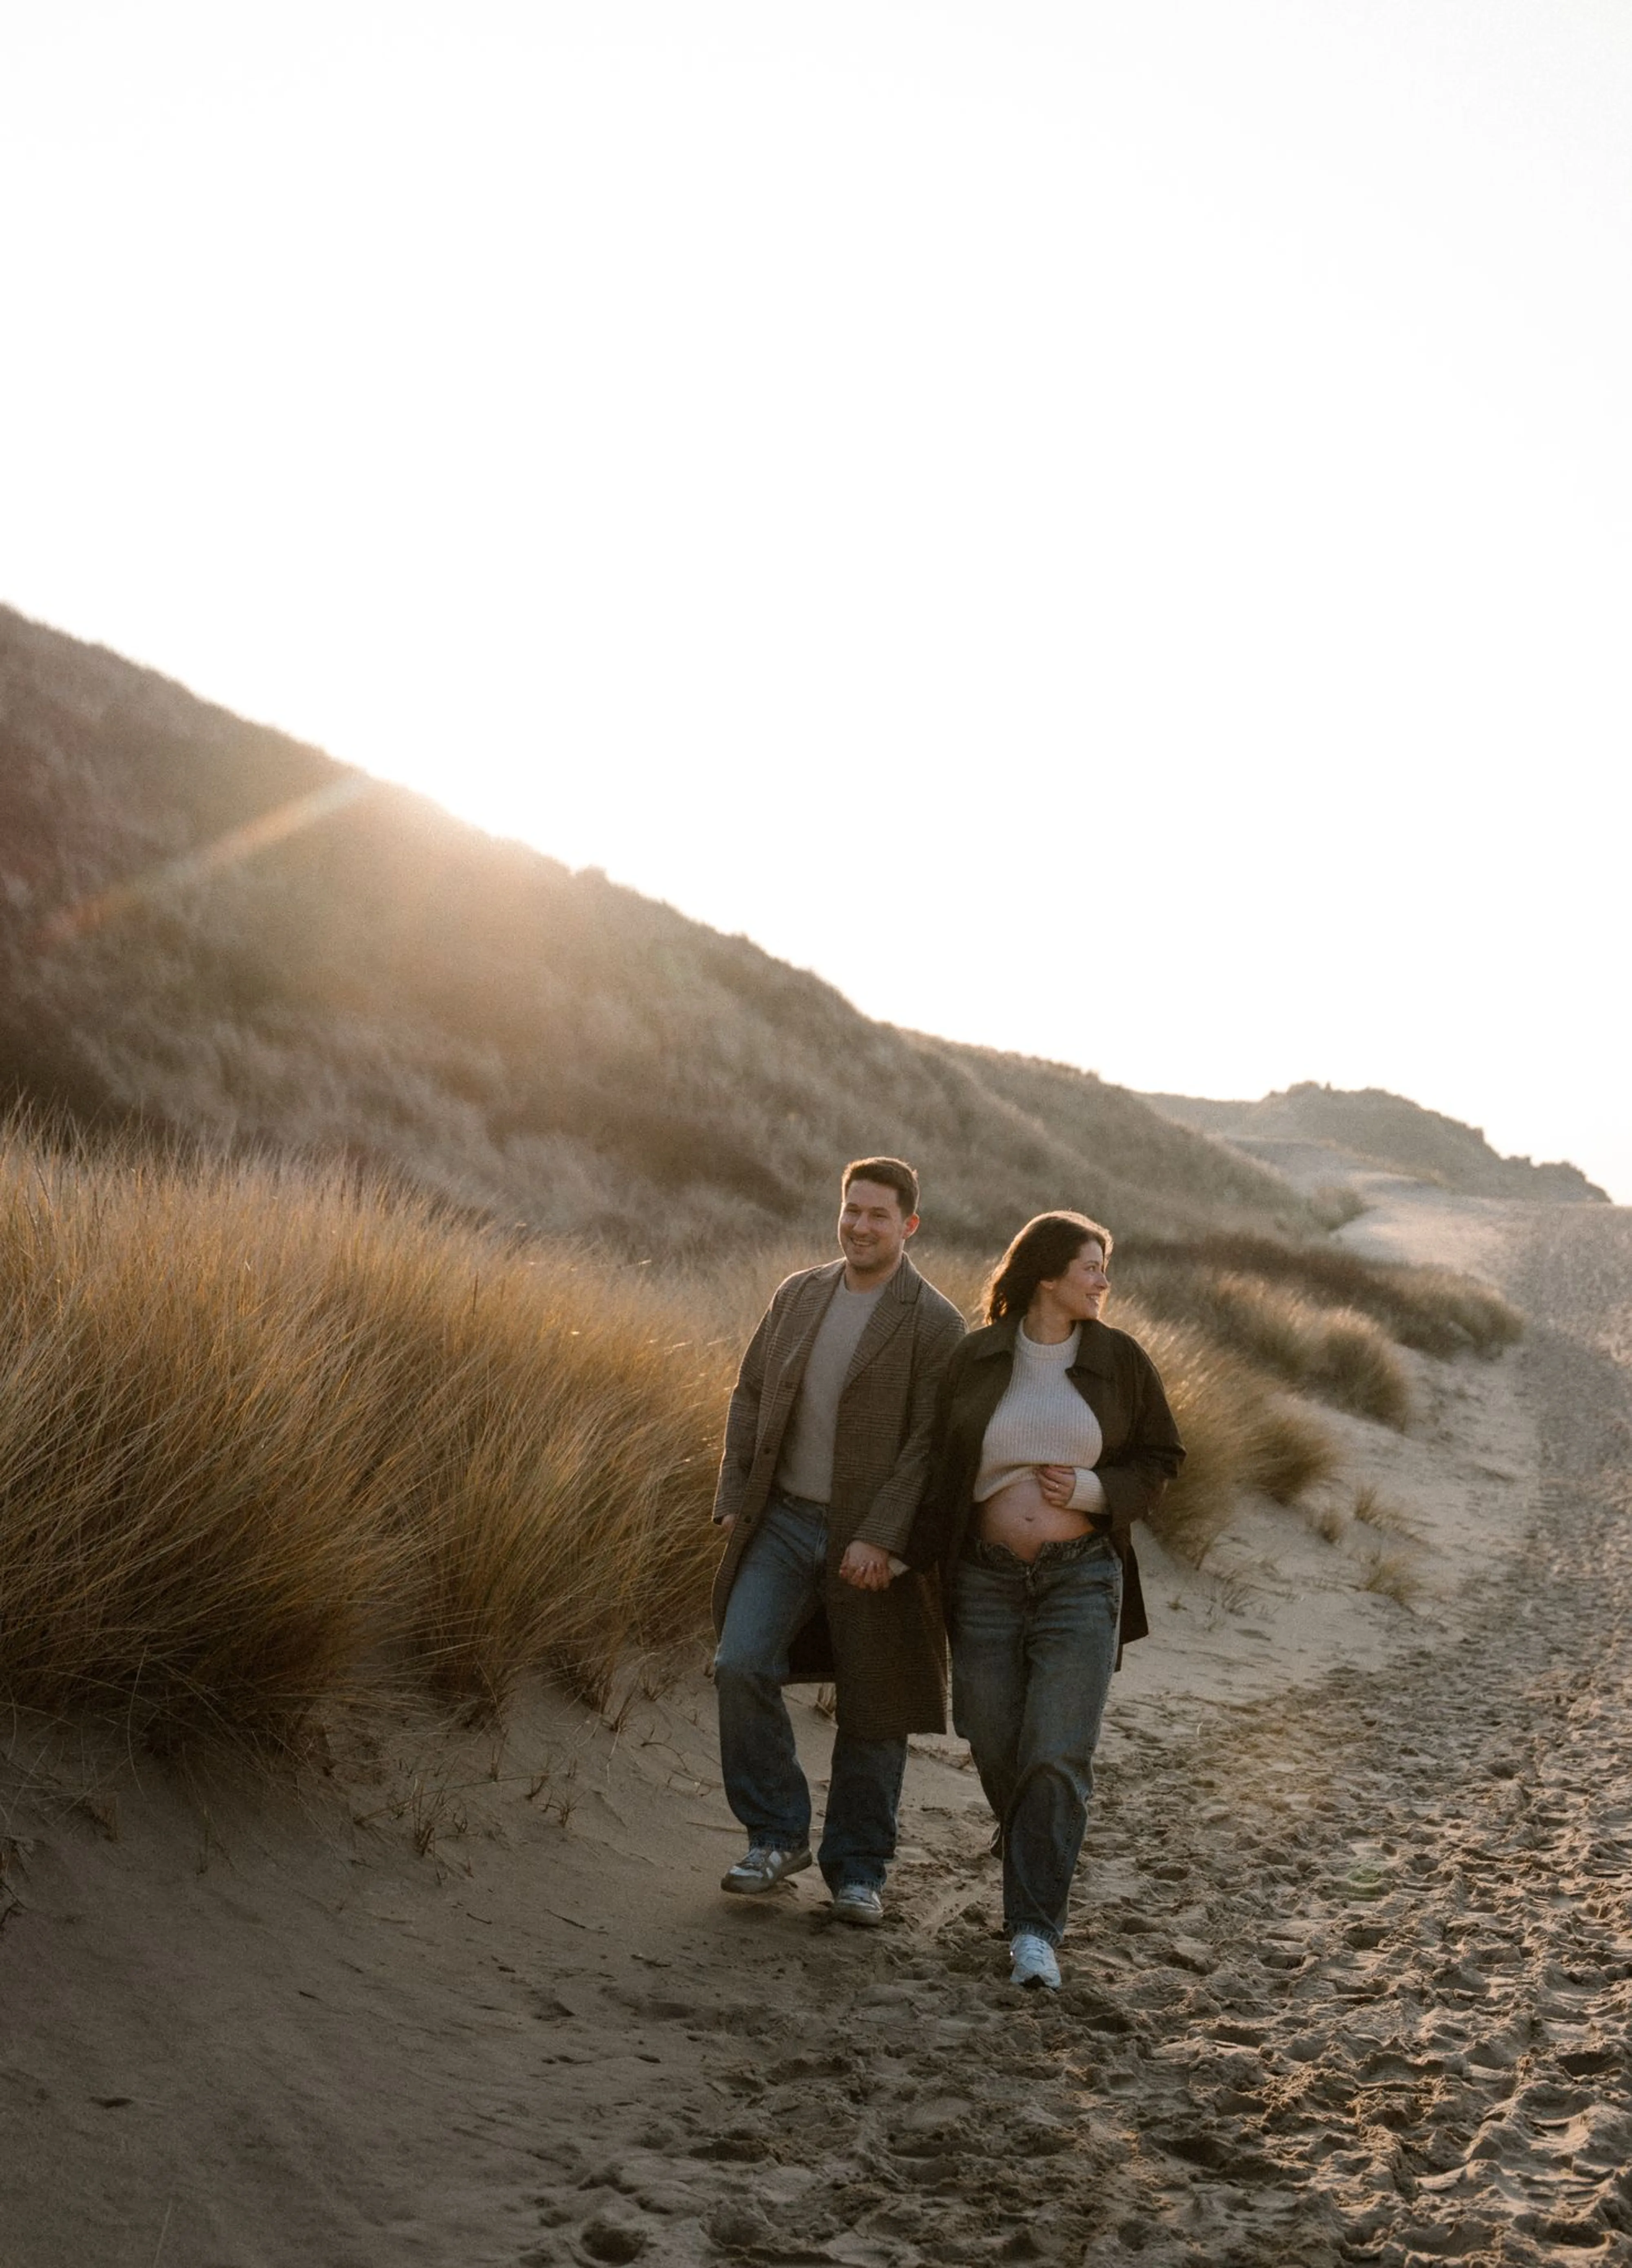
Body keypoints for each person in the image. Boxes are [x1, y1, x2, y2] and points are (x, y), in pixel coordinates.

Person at [916, 1211, 1183, 1989]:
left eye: (1104, 1267)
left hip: (1082, 1576)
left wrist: (1099, 1489)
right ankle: (1031, 1837)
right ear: (1045, 1274)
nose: (1104, 1280)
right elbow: (936, 1458)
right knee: (994, 1735)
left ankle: (1034, 1931)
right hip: (986, 1577)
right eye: (1091, 1266)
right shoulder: (977, 1357)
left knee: (1059, 1752)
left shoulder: (1120, 1359)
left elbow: (1163, 1457)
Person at [710, 1157, 966, 1926]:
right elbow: (752, 1390)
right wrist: (733, 1496)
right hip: (783, 1520)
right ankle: (776, 1835)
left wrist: (883, 1539)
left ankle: (858, 1870)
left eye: (878, 1215)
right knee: (739, 1662)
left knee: (875, 1705)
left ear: (909, 1225)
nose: (859, 1225)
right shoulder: (800, 1292)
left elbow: (930, 1444)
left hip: (872, 1540)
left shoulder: (933, 1321)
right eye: (852, 1210)